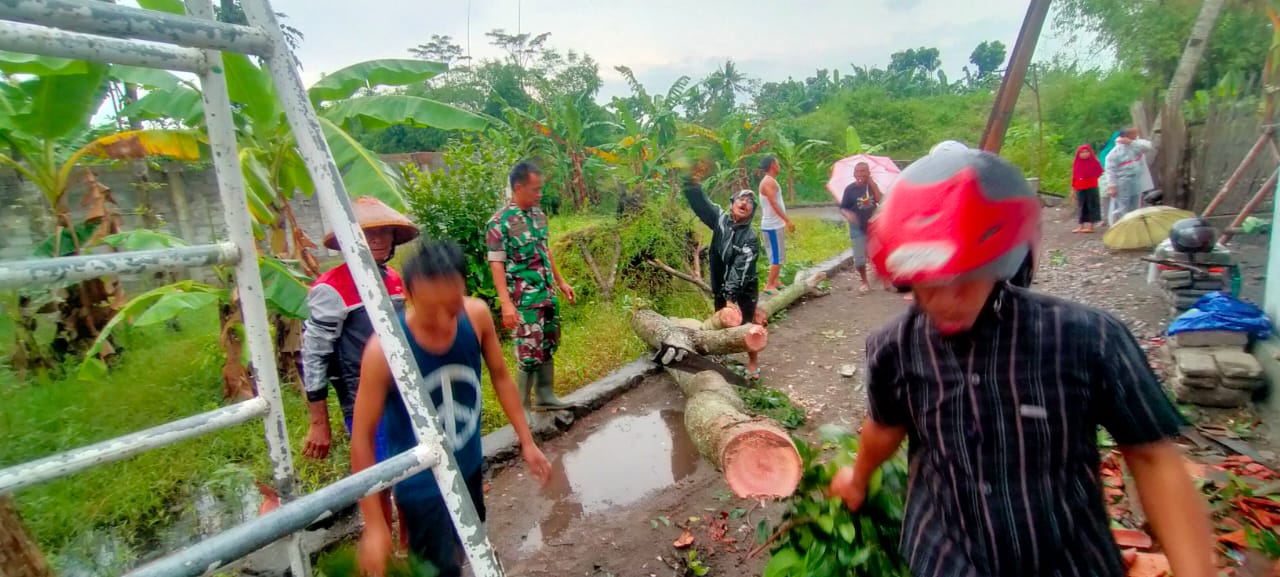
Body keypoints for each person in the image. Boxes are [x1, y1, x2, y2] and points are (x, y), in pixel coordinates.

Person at [829, 146, 1215, 577]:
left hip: (1066, 559)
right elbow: (885, 426)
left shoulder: (1089, 339)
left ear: (1002, 261)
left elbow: (1151, 457)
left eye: (962, 278)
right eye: (926, 283)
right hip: (945, 556)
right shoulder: (892, 348)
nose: (943, 300)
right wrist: (858, 476)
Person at [353, 239, 552, 577]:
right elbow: (362, 438)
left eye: (452, 306)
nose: (445, 319)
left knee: (467, 541)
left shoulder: (475, 316)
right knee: (438, 568)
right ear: (410, 296)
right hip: (420, 487)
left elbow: (501, 376)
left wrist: (527, 440)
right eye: (433, 311)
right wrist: (375, 525)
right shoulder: (384, 350)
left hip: (469, 465)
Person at [299, 197, 418, 543]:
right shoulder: (331, 288)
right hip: (363, 400)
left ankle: (410, 552)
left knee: (412, 478)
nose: (378, 239)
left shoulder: (394, 280)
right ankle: (383, 553)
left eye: (384, 232)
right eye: (369, 233)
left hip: (404, 396)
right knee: (376, 482)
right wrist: (318, 422)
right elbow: (314, 355)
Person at [486, 162, 577, 413]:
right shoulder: (499, 223)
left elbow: (545, 252)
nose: (540, 194)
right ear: (518, 187)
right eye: (535, 190)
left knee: (548, 345)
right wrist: (505, 304)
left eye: (541, 189)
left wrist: (561, 282)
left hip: (547, 295)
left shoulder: (539, 216)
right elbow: (496, 264)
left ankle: (546, 396)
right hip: (523, 300)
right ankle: (522, 408)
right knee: (528, 352)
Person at [683, 177, 764, 380]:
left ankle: (753, 362)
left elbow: (740, 270)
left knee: (747, 324)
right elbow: (703, 205)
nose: (745, 203)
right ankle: (719, 352)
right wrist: (691, 184)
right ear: (732, 203)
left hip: (744, 287)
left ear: (752, 212)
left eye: (750, 203)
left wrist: (731, 298)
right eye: (741, 199)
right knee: (720, 316)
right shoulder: (720, 220)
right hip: (720, 284)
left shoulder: (750, 238)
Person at [839, 161, 883, 294]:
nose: (860, 174)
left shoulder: (872, 186)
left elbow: (880, 200)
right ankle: (864, 282)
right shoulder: (849, 189)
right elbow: (842, 208)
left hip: (872, 226)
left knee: (879, 254)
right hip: (856, 227)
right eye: (857, 171)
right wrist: (848, 214)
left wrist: (872, 184)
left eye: (863, 171)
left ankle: (885, 280)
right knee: (859, 259)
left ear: (869, 173)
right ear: (854, 174)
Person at [757, 155, 795, 294]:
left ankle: (776, 281)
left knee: (778, 254)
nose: (779, 165)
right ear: (773, 164)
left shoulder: (770, 181)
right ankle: (768, 285)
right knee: (777, 256)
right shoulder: (768, 182)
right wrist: (787, 220)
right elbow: (773, 203)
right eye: (778, 163)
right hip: (772, 226)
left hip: (774, 225)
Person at [1105, 127, 1155, 223]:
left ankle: (1134, 224)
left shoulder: (1136, 146)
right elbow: (1111, 170)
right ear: (1126, 135)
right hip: (1123, 182)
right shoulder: (1115, 152)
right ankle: (1120, 225)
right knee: (1122, 206)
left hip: (1136, 180)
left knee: (1136, 205)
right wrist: (1112, 186)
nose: (1136, 135)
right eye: (1133, 134)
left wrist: (1131, 142)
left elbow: (1147, 146)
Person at [1072, 144, 1104, 233]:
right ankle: (1080, 225)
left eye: (1086, 152)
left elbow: (1100, 172)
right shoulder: (1077, 163)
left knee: (1092, 205)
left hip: (1091, 187)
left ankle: (1091, 226)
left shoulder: (1094, 162)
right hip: (1080, 187)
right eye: (1082, 152)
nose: (1084, 154)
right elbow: (1074, 177)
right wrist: (1073, 190)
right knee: (1081, 206)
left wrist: (1091, 178)